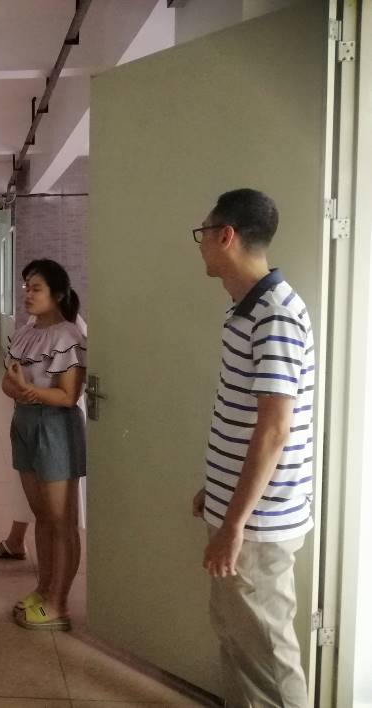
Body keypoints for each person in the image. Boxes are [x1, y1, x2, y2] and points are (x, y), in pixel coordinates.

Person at [191, 188, 313, 707]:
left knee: (268, 657)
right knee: (239, 641)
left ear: (226, 236)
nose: (200, 245)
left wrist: (234, 523)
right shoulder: (248, 308)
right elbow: (244, 419)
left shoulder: (275, 315)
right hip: (241, 512)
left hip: (259, 524)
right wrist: (216, 492)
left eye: (203, 233)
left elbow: (273, 429)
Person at [3, 259, 86, 631]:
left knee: (61, 521)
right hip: (24, 423)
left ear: (58, 294)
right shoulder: (26, 331)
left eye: (36, 288)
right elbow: (6, 382)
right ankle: (43, 588)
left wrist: (27, 390)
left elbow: (68, 396)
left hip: (55, 428)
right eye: (26, 287)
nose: (28, 294)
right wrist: (22, 391)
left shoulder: (68, 335)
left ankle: (59, 603)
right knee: (41, 516)